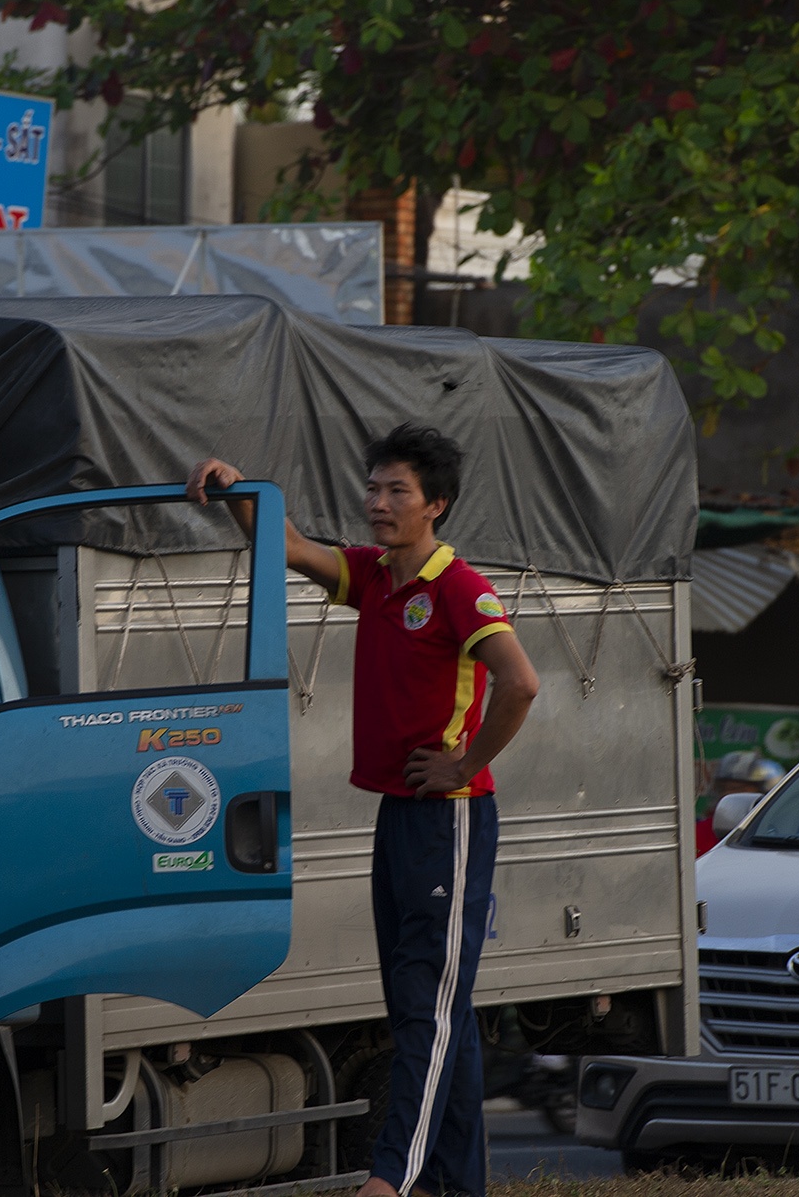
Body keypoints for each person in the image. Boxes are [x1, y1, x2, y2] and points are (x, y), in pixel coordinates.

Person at [189, 424, 540, 1197]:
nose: (378, 504)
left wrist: (466, 762)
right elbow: (290, 546)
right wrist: (236, 489)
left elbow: (521, 683)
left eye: (397, 491)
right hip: (399, 816)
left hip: (448, 820)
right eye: (374, 488)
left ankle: (393, 1178)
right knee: (438, 1004)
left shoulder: (458, 586)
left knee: (427, 1006)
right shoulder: (374, 575)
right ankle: (456, 1182)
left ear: (435, 504)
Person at [693, 750, 786, 856]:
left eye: (738, 788)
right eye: (723, 788)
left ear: (767, 792)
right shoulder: (700, 832)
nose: (728, 793)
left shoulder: (786, 833)